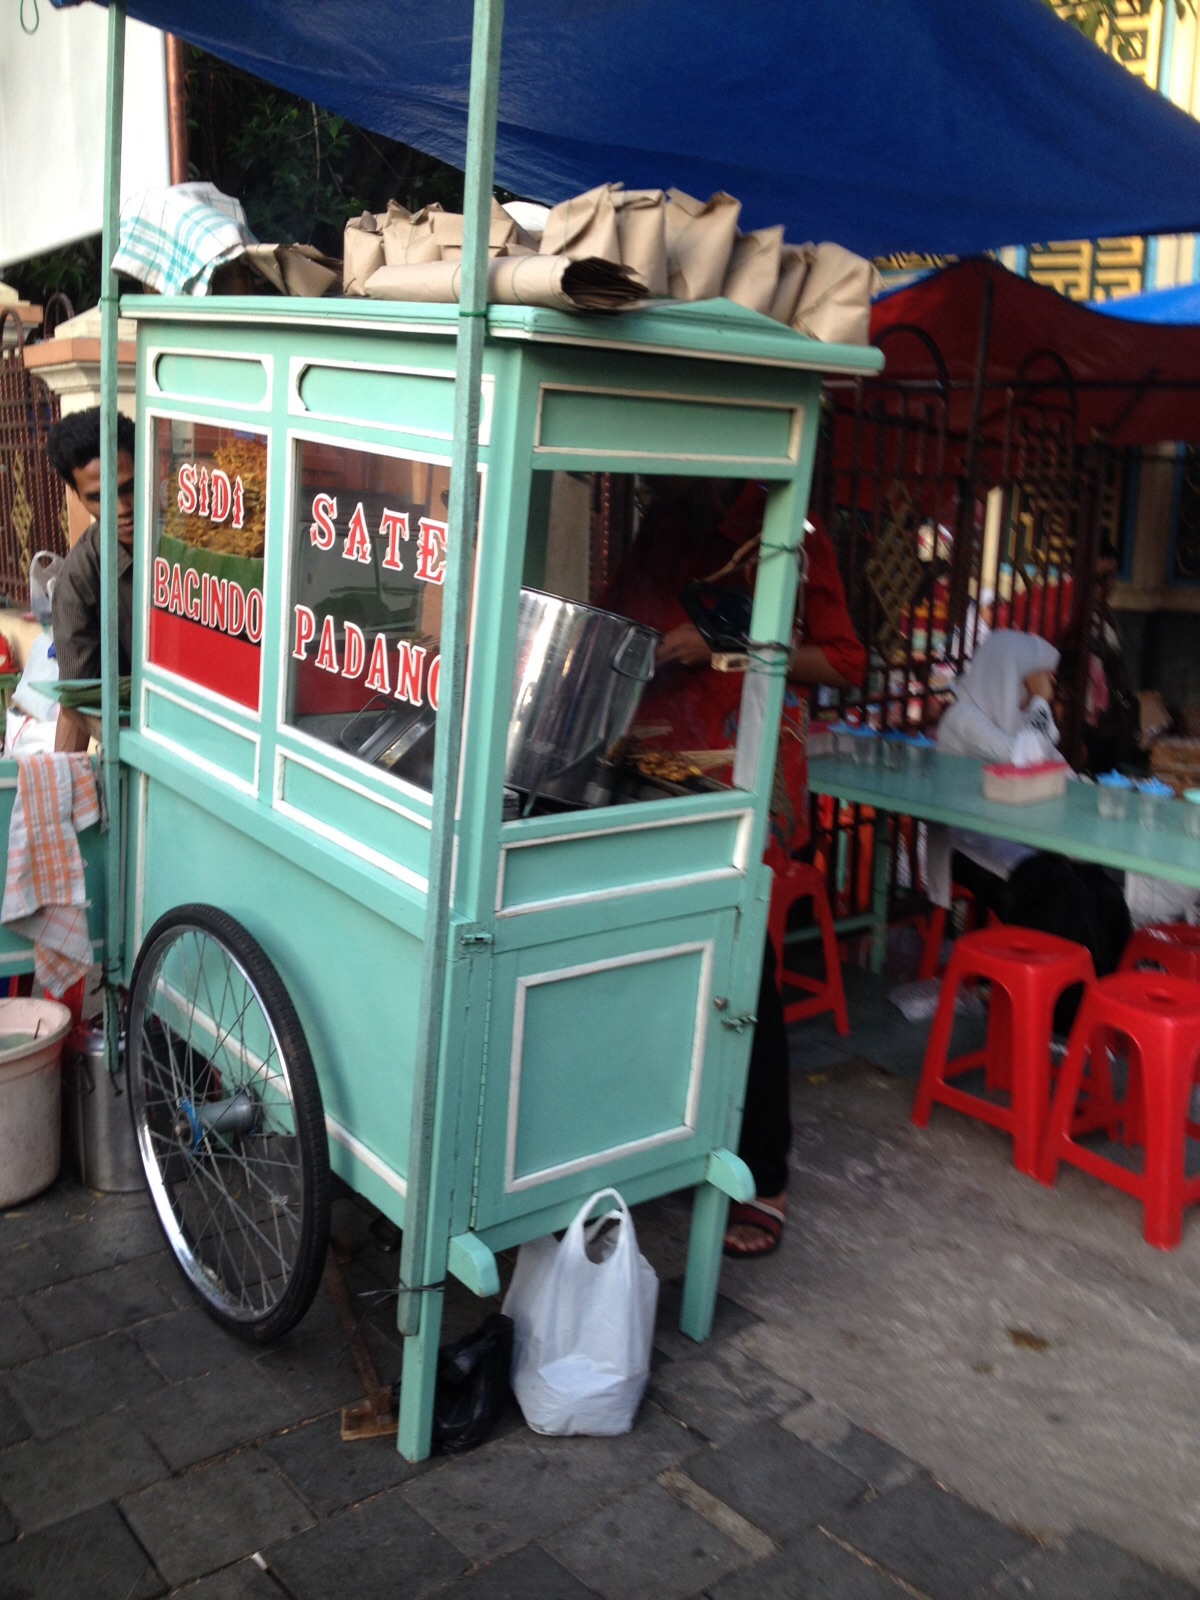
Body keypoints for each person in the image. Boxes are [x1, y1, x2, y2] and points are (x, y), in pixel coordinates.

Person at [602, 479, 865, 1257]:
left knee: (748, 973)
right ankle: (667, 1133)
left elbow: (845, 661)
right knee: (656, 957)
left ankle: (764, 1174)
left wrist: (725, 644)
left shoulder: (793, 527)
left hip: (745, 773)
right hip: (654, 761)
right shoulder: (666, 518)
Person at [929, 629, 1131, 1030]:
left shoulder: (1014, 722)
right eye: (1035, 682)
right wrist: (1038, 699)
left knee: (1102, 888)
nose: (1044, 696)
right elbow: (1024, 758)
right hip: (969, 848)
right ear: (1007, 675)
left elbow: (1058, 771)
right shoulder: (961, 720)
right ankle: (1067, 1021)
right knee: (1063, 896)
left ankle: (1111, 1010)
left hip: (1017, 843)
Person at [45, 407, 136, 752]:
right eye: (98, 497)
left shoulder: (190, 533)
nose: (121, 507)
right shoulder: (80, 578)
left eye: (128, 488)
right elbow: (77, 701)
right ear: (77, 495)